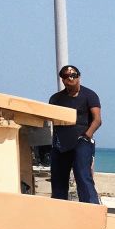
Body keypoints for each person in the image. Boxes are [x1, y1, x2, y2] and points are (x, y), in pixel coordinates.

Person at [48, 64, 101, 204]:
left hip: (81, 142)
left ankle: (90, 208)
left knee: (83, 177)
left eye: (73, 75)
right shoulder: (55, 99)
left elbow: (97, 120)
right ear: (62, 79)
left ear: (79, 77)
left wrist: (86, 136)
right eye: (66, 76)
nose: (70, 78)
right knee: (58, 180)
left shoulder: (90, 95)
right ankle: (58, 210)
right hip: (60, 144)